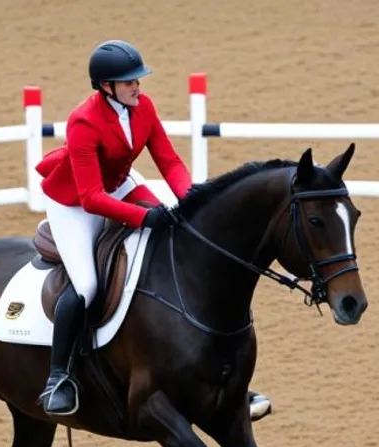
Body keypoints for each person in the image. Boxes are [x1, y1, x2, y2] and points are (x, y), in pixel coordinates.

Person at [33, 39, 272, 422]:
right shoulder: (83, 121)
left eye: (138, 81)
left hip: (120, 183)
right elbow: (91, 197)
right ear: (106, 86)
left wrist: (193, 202)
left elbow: (169, 159)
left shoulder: (142, 108)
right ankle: (59, 377)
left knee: (172, 238)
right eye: (129, 82)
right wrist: (143, 217)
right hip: (75, 202)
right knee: (87, 286)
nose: (137, 87)